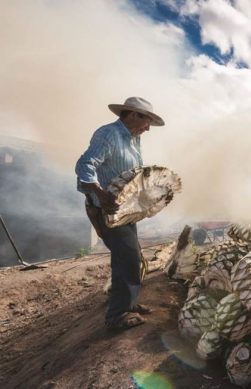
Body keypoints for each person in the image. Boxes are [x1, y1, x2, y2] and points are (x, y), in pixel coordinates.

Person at [75, 97, 165, 330]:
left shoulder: (133, 140)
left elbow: (134, 175)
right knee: (129, 258)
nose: (147, 129)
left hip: (126, 211)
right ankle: (116, 317)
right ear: (134, 115)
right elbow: (85, 165)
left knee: (126, 258)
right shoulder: (109, 134)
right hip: (107, 210)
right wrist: (100, 193)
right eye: (147, 122)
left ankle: (129, 303)